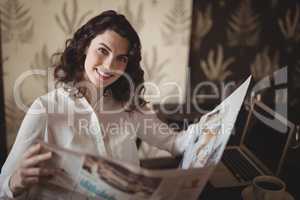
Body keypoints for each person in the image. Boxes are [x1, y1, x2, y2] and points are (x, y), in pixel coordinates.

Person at [0, 10, 197, 199]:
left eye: (121, 58)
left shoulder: (129, 106)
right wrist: (17, 181)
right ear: (85, 46)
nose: (110, 65)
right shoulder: (44, 109)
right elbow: (3, 188)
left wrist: (219, 123)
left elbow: (176, 143)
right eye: (103, 50)